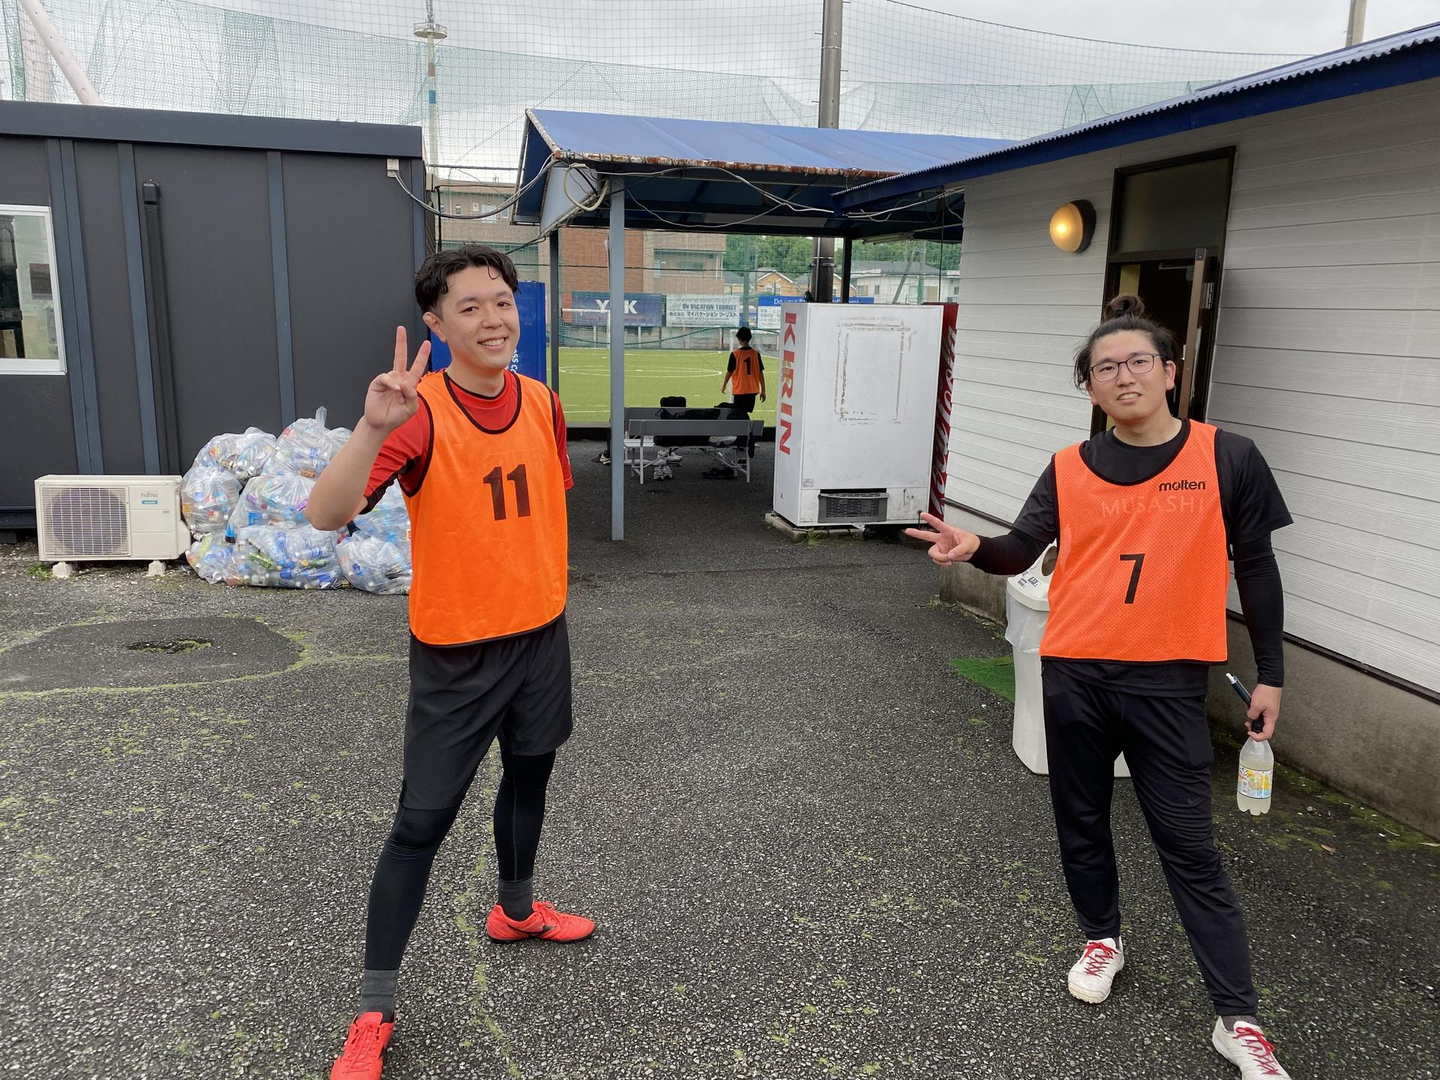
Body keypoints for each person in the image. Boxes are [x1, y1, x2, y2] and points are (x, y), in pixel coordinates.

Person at [906, 295, 1294, 1080]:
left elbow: (1256, 567)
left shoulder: (1229, 457)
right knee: (1080, 820)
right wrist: (973, 545)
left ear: (1170, 373)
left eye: (1138, 361)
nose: (1123, 376)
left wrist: (1272, 673)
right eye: (1104, 367)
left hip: (1169, 684)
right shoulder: (1069, 466)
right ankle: (1101, 937)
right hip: (1075, 675)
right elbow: (1021, 548)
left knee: (1189, 847)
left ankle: (1238, 1018)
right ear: (1089, 386)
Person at [307, 246, 593, 1080]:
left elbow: (535, 514)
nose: (492, 319)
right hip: (456, 654)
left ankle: (516, 911)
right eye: (469, 307)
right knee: (420, 824)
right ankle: (373, 1011)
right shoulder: (417, 412)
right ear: (435, 323)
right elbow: (325, 513)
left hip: (540, 637)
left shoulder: (542, 403)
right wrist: (372, 427)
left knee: (531, 777)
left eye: (501, 301)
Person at [720, 325, 766, 414]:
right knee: (745, 413)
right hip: (752, 390)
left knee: (739, 414)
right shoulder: (756, 354)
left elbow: (729, 372)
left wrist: (724, 384)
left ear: (739, 339)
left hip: (740, 390)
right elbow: (760, 373)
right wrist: (763, 390)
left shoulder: (735, 354)